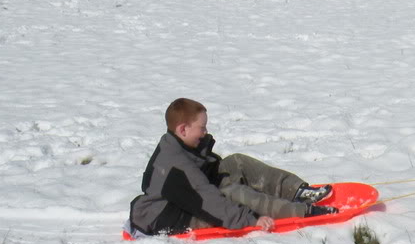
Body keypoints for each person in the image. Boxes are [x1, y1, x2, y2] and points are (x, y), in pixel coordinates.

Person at [129, 98, 336, 236]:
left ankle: (296, 190)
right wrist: (250, 220)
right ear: (183, 129)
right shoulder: (176, 166)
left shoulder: (177, 143)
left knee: (235, 162)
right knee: (232, 192)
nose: (205, 132)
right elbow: (210, 202)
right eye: (201, 128)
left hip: (189, 197)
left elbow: (204, 174)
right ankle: (302, 212)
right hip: (174, 218)